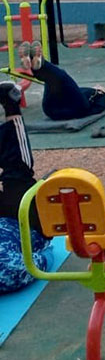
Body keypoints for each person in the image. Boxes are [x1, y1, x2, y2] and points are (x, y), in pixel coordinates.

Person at [0, 81, 53, 294]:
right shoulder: (6, 271)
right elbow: (35, 264)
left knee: (16, 171)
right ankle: (11, 105)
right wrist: (45, 253)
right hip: (20, 222)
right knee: (18, 171)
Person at [17, 40, 105, 122]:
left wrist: (103, 93)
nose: (98, 85)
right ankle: (35, 63)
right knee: (52, 81)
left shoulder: (100, 96)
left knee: (61, 77)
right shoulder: (82, 92)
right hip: (52, 110)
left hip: (72, 109)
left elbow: (99, 107)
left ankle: (38, 63)